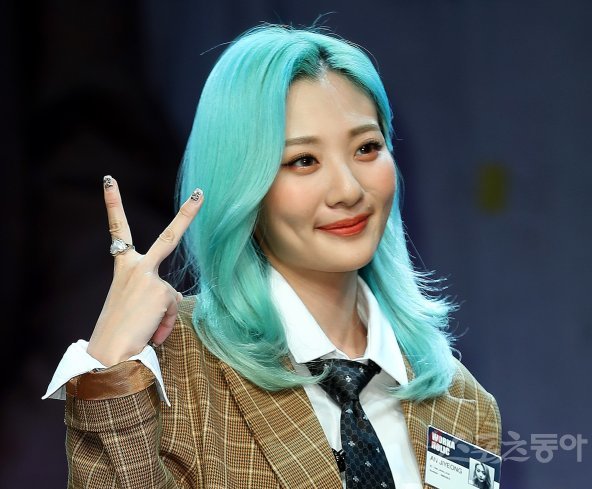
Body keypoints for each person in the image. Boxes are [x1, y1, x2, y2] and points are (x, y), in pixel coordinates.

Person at [45, 24, 501, 488]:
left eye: (367, 148)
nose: (348, 190)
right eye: (303, 160)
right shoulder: (174, 365)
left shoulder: (463, 404)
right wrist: (111, 368)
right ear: (243, 184)